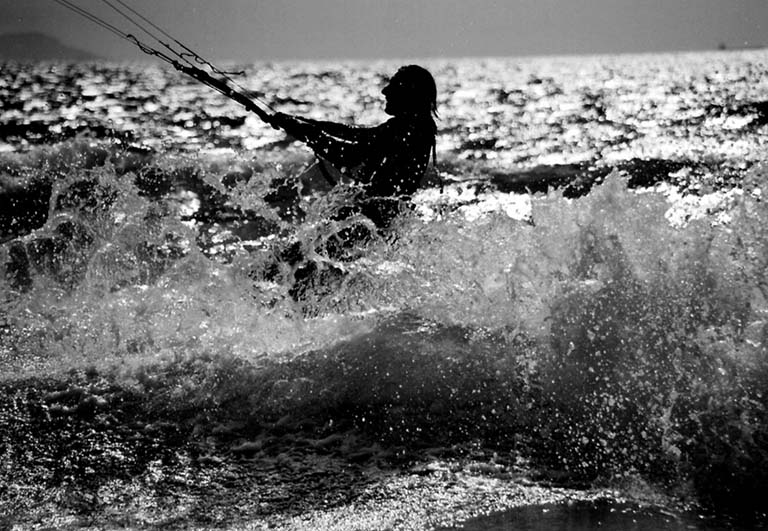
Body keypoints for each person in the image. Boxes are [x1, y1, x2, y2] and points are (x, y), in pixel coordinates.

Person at [259, 65, 439, 304]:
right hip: (374, 219)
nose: (385, 91)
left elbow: (349, 154)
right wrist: (302, 124)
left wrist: (308, 133)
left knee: (293, 264)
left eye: (393, 86)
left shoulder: (410, 128)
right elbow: (357, 134)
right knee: (299, 266)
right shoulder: (412, 126)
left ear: (409, 94)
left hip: (370, 220)